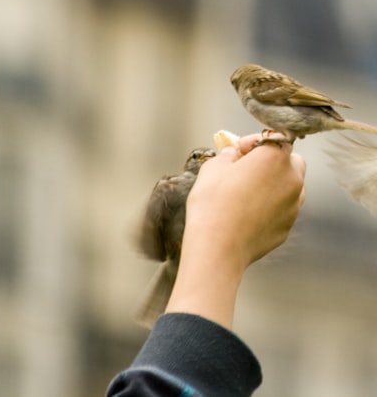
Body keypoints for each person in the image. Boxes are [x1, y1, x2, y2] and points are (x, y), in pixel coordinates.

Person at [107, 132, 306, 396]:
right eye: (195, 156)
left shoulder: (219, 184)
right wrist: (222, 245)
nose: (204, 158)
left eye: (206, 155)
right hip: (179, 262)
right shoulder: (172, 186)